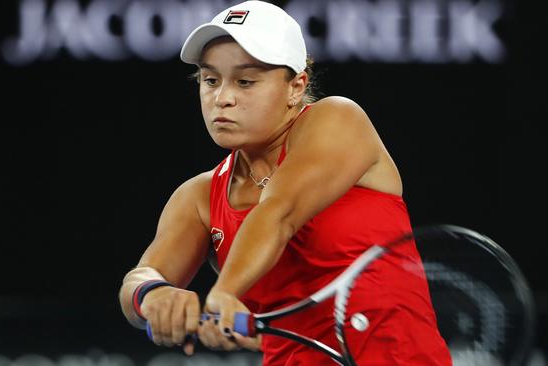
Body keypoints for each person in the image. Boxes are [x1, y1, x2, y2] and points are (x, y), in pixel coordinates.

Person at [119, 1, 452, 364]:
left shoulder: (339, 120)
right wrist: (154, 294)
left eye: (245, 81)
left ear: (296, 87)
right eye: (210, 79)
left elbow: (279, 212)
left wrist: (225, 292)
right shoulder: (198, 197)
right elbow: (141, 277)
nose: (223, 99)